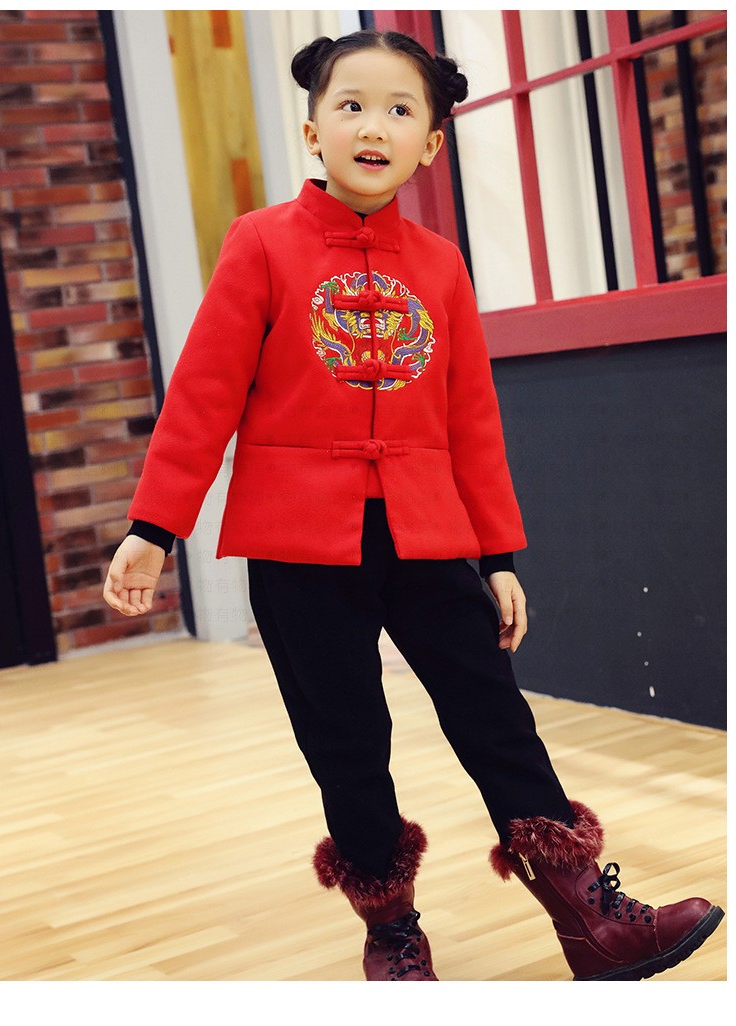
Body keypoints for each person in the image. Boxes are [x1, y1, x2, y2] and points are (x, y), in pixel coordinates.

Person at [103, 29, 723, 982]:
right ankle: (391, 931)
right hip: (298, 546)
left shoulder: (439, 264)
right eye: (350, 105)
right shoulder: (260, 243)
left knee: (496, 718)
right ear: (313, 130)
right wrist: (155, 528)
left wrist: (499, 555)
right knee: (346, 739)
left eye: (400, 110)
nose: (372, 127)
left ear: (431, 144)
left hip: (428, 536)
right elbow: (204, 395)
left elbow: (471, 417)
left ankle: (591, 922)